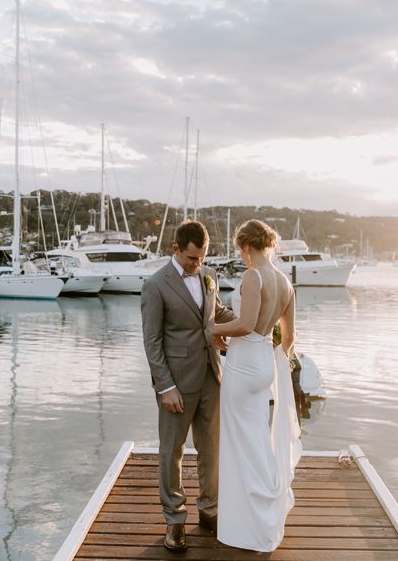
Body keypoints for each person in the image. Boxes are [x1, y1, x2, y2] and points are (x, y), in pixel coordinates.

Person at [141, 220, 235, 552]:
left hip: (212, 375)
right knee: (172, 451)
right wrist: (165, 386)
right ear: (176, 249)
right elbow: (152, 342)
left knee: (212, 449)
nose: (197, 265)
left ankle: (210, 511)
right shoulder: (155, 286)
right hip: (177, 383)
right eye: (192, 259)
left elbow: (219, 313)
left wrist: (254, 322)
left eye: (202, 258)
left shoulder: (210, 276)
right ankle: (175, 520)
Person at [211, 219, 302, 552]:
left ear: (246, 246)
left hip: (243, 366)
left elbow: (246, 324)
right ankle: (265, 516)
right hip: (265, 364)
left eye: (240, 250)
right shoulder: (285, 283)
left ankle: (250, 525)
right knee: (258, 440)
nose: (242, 256)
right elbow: (289, 338)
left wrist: (211, 328)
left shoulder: (254, 276)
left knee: (240, 445)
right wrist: (276, 358)